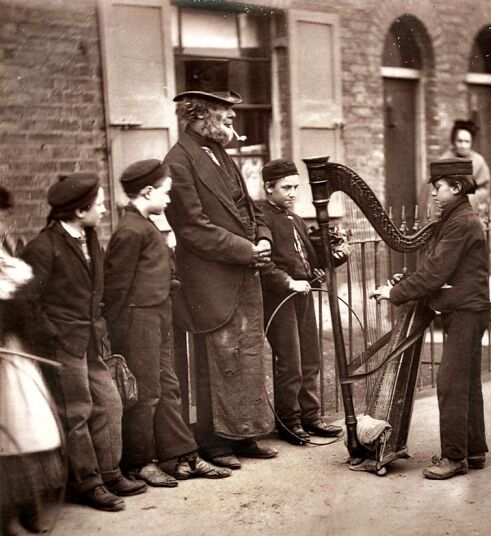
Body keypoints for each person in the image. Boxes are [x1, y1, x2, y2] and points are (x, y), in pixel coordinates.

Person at [17, 172, 147, 512]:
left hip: (91, 339)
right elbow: (30, 303)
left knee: (110, 402)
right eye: (100, 204)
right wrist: (54, 337)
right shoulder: (43, 248)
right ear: (79, 210)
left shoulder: (89, 237)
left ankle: (109, 472)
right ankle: (88, 483)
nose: (105, 209)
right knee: (77, 413)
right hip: (64, 345)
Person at [163, 90, 277, 469]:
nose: (232, 121)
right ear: (199, 116)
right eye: (225, 115)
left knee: (246, 354)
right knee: (217, 358)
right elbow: (192, 228)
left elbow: (249, 205)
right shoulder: (178, 162)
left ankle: (244, 434)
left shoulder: (222, 153)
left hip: (243, 272)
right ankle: (213, 442)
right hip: (211, 278)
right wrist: (246, 250)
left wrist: (262, 237)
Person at [103, 159, 232, 486]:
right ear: (147, 192)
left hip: (158, 315)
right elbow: (116, 288)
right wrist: (120, 334)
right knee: (145, 394)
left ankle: (182, 456)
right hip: (138, 321)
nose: (170, 200)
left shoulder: (146, 226)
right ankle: (140, 462)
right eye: (165, 193)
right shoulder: (130, 230)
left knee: (168, 388)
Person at [371, 158, 491, 480]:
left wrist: (394, 294)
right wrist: (406, 281)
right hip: (466, 309)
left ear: (455, 187)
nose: (434, 194)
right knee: (466, 381)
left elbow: (436, 272)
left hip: (466, 311)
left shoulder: (461, 222)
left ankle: (454, 457)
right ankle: (474, 450)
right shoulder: (455, 219)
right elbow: (436, 267)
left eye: (437, 187)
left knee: (450, 383)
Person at [258, 159, 347, 445]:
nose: (293, 193)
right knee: (291, 362)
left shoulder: (295, 218)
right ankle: (289, 421)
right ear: (269, 187)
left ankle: (311, 416)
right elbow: (264, 264)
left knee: (311, 358)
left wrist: (333, 256)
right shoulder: (262, 218)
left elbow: (309, 260)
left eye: (296, 187)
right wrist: (288, 281)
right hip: (279, 299)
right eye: (286, 187)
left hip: (304, 295)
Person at [0, 186, 64, 534]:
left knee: (25, 426)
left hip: (13, 352)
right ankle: (8, 515)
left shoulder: (5, 248)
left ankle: (25, 506)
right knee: (7, 432)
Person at [445, 119, 491, 312]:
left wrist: (465, 200)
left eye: (467, 141)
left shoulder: (478, 161)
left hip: (478, 214)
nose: (463, 145)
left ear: (471, 142)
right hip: (453, 216)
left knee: (488, 254)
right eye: (459, 141)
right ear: (454, 141)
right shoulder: (446, 159)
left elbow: (484, 190)